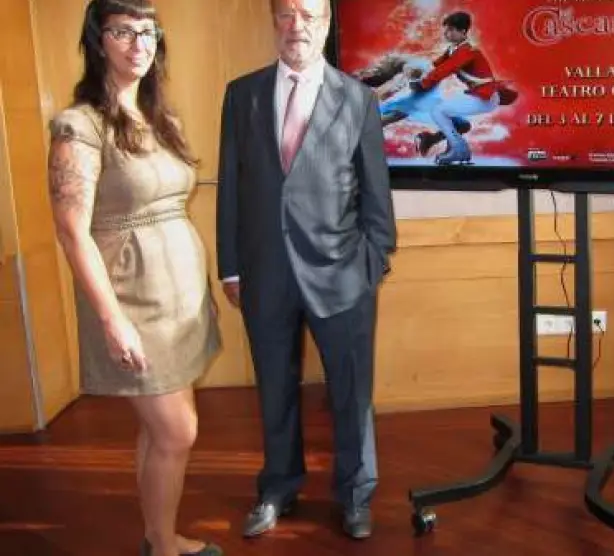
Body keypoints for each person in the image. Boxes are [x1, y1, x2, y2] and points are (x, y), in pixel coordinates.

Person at [216, 0, 396, 541]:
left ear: (326, 23)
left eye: (310, 15)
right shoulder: (242, 94)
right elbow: (231, 187)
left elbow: (376, 193)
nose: (298, 26)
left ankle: (356, 495)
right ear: (274, 22)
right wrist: (231, 267)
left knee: (351, 393)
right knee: (275, 389)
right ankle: (278, 488)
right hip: (265, 273)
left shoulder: (358, 99)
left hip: (343, 275)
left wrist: (371, 263)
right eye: (287, 15)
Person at [46, 1, 222, 555]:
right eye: (123, 31)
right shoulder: (79, 126)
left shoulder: (159, 117)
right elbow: (72, 231)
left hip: (179, 299)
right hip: (132, 301)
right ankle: (163, 546)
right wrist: (112, 320)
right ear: (98, 40)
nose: (139, 44)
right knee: (177, 430)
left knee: (158, 431)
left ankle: (158, 537)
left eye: (148, 31)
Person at [409, 11, 518, 165]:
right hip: (479, 95)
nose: (446, 33)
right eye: (446, 29)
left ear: (463, 32)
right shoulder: (453, 49)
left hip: (484, 98)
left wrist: (423, 84)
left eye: (451, 30)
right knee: (443, 109)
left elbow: (447, 68)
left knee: (438, 110)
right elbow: (436, 65)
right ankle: (458, 128)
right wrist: (416, 73)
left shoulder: (468, 51)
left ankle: (459, 150)